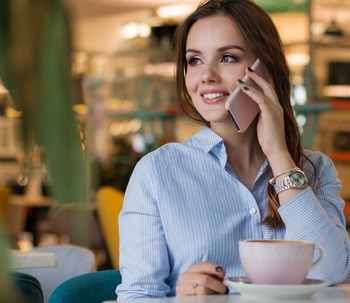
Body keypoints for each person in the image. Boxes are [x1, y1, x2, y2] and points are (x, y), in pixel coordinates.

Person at [116, 0, 350, 300]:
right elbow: (135, 296)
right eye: (195, 60)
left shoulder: (315, 168)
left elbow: (332, 273)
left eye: (227, 57)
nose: (207, 76)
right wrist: (178, 297)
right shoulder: (157, 172)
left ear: (265, 68)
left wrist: (279, 155)